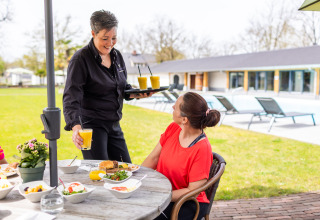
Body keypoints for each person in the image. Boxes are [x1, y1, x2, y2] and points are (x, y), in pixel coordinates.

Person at [63, 10, 152, 162]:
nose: (110, 43)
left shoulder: (117, 56)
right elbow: (71, 97)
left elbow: (121, 87)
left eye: (114, 38)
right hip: (92, 126)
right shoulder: (81, 59)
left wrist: (137, 93)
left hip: (114, 124)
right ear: (93, 33)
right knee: (100, 172)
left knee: (125, 168)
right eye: (105, 38)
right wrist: (76, 127)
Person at [142, 92, 221, 220]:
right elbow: (154, 158)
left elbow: (192, 191)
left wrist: (159, 195)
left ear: (185, 120)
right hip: (163, 194)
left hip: (187, 203)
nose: (173, 107)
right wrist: (137, 179)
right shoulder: (173, 128)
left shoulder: (202, 148)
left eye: (176, 106)